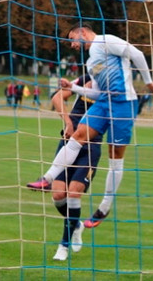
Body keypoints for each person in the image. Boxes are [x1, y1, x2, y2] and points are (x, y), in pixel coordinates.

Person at [27, 25, 153, 229]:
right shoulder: (91, 63)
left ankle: (104, 208)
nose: (72, 45)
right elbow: (97, 94)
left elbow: (137, 53)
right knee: (78, 135)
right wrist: (73, 88)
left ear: (83, 32)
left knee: (115, 156)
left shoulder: (106, 40)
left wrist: (149, 82)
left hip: (124, 103)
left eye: (72, 38)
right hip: (103, 103)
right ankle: (47, 178)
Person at [39, 74, 102, 261]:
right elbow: (57, 97)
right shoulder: (84, 79)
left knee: (74, 192)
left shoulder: (113, 87)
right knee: (58, 195)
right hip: (69, 141)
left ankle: (63, 246)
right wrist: (67, 122)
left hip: (91, 147)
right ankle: (76, 224)